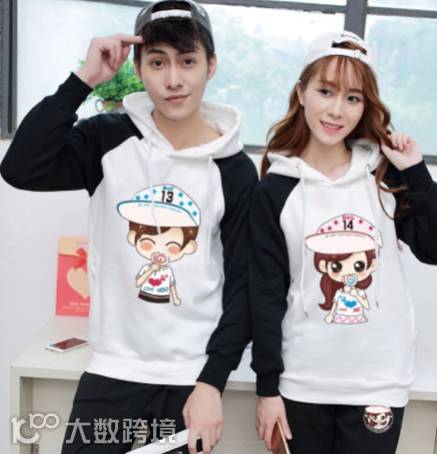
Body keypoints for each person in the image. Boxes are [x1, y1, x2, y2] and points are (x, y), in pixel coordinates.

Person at [0, 2, 254, 452]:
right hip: (113, 368)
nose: (173, 79)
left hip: (191, 378)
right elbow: (20, 168)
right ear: (137, 69)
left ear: (210, 66)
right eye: (157, 62)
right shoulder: (107, 139)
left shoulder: (232, 168)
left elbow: (243, 285)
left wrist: (212, 382)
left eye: (187, 61)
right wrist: (83, 80)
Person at [248, 31, 437, 454]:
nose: (337, 110)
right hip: (301, 383)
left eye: (353, 98)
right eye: (325, 91)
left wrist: (415, 172)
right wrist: (267, 388)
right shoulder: (275, 189)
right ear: (301, 93)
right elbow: (265, 295)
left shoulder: (384, 177)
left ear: (365, 107)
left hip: (377, 383)